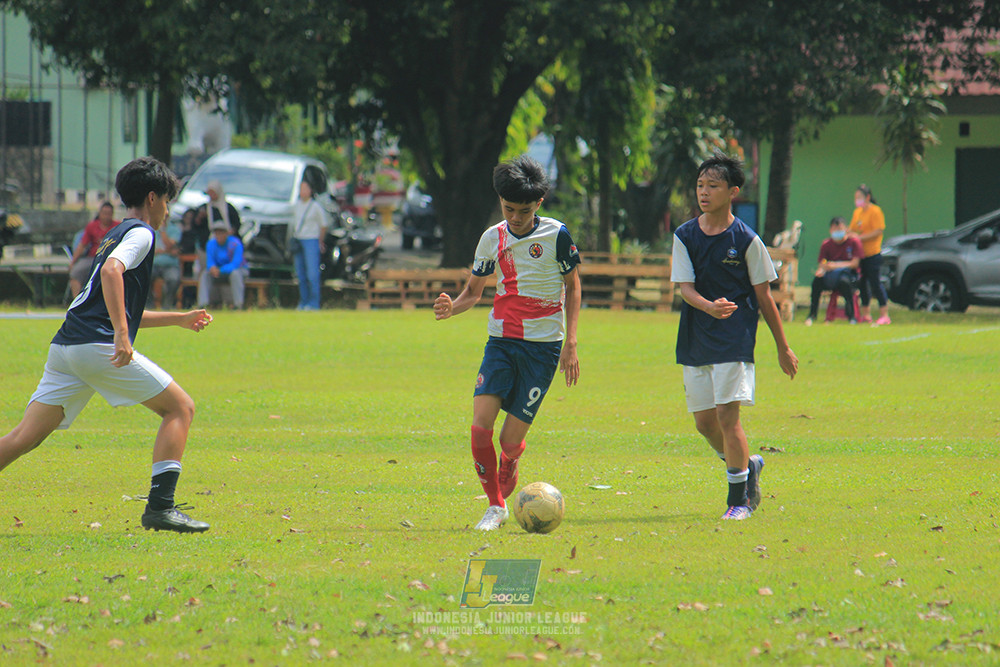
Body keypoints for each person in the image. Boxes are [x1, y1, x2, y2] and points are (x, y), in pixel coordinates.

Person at [0, 156, 213, 533]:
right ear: (152, 198)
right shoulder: (143, 233)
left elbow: (116, 304)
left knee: (23, 437)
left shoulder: (114, 233)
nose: (166, 210)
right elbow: (114, 275)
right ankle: (161, 508)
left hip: (67, 347)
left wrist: (177, 320)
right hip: (96, 346)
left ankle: (161, 508)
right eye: (167, 201)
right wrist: (119, 334)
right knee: (180, 408)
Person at [433, 156, 581, 532]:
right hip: (501, 343)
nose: (515, 217)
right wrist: (453, 307)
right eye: (509, 208)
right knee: (480, 427)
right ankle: (495, 506)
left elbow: (573, 286)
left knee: (508, 440)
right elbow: (472, 292)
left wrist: (571, 342)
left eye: (524, 210)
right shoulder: (492, 238)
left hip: (543, 348)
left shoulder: (556, 236)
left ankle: (512, 458)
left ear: (540, 203)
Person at [670, 151, 798, 521]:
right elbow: (686, 289)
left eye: (713, 186)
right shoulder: (685, 235)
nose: (704, 192)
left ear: (733, 192)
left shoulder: (747, 240)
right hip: (696, 335)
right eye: (700, 185)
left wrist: (783, 347)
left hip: (734, 337)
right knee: (704, 424)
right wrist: (707, 306)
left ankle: (738, 501)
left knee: (728, 418)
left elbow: (765, 297)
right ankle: (748, 465)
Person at [804, 217, 864, 325]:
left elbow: (855, 264)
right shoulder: (826, 244)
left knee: (845, 284)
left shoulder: (854, 242)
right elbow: (822, 263)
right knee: (816, 282)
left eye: (840, 229)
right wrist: (822, 269)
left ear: (846, 229)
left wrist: (836, 265)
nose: (837, 232)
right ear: (830, 230)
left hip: (848, 275)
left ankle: (852, 317)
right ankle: (812, 315)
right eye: (834, 229)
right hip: (830, 275)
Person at [849, 184, 891, 325]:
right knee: (862, 284)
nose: (857, 201)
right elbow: (852, 229)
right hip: (861, 255)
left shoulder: (875, 211)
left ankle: (884, 314)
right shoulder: (857, 212)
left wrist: (860, 237)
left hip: (873, 253)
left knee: (875, 283)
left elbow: (878, 231)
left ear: (867, 197)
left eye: (859, 197)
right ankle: (866, 314)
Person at [289, 178, 329, 310]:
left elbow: (323, 225)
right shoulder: (297, 205)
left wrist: (320, 240)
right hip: (298, 239)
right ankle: (303, 301)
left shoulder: (315, 206)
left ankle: (314, 302)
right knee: (300, 273)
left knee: (312, 273)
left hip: (311, 240)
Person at [68, 202, 120, 297]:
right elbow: (82, 245)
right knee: (75, 272)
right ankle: (77, 302)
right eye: (104, 213)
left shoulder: (118, 227)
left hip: (111, 259)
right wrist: (73, 262)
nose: (106, 216)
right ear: (99, 213)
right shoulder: (92, 226)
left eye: (109, 213)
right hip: (93, 258)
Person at [198, 220, 248, 309]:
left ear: (227, 233)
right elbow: (210, 261)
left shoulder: (235, 244)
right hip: (218, 272)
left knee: (235, 274)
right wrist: (212, 268)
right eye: (217, 233)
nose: (219, 235)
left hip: (238, 270)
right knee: (205, 274)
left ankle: (238, 304)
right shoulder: (211, 244)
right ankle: (202, 304)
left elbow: (236, 263)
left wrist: (220, 270)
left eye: (221, 232)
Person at [149, 213, 182, 309]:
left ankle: (167, 305)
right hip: (153, 264)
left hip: (170, 264)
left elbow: (169, 245)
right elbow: (148, 250)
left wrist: (162, 230)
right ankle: (149, 305)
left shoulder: (175, 230)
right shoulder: (150, 229)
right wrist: (167, 251)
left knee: (173, 279)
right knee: (144, 276)